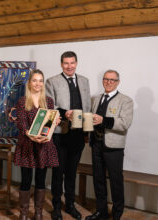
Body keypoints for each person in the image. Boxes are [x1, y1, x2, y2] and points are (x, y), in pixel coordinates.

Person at [45, 51, 91, 220]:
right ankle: (56, 207)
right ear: (61, 64)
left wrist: (87, 133)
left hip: (78, 135)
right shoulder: (52, 81)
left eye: (72, 63)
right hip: (60, 134)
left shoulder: (85, 81)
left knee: (72, 173)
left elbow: (87, 107)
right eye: (66, 63)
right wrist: (66, 113)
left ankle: (70, 205)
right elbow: (50, 106)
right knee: (58, 173)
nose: (69, 66)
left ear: (76, 63)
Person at [85, 70, 133, 220]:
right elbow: (89, 120)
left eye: (112, 80)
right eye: (106, 79)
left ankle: (117, 214)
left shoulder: (126, 101)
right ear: (103, 81)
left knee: (115, 181)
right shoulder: (96, 98)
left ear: (118, 82)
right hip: (96, 145)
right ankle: (101, 212)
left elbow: (125, 124)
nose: (109, 82)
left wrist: (103, 120)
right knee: (98, 180)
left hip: (114, 148)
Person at [14, 69, 60, 220]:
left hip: (43, 145)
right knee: (26, 180)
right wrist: (30, 135)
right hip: (27, 144)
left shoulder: (49, 101)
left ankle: (38, 213)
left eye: (40, 80)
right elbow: (21, 123)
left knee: (41, 180)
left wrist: (54, 122)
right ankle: (24, 213)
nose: (38, 83)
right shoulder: (22, 101)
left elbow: (48, 124)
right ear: (29, 83)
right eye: (35, 80)